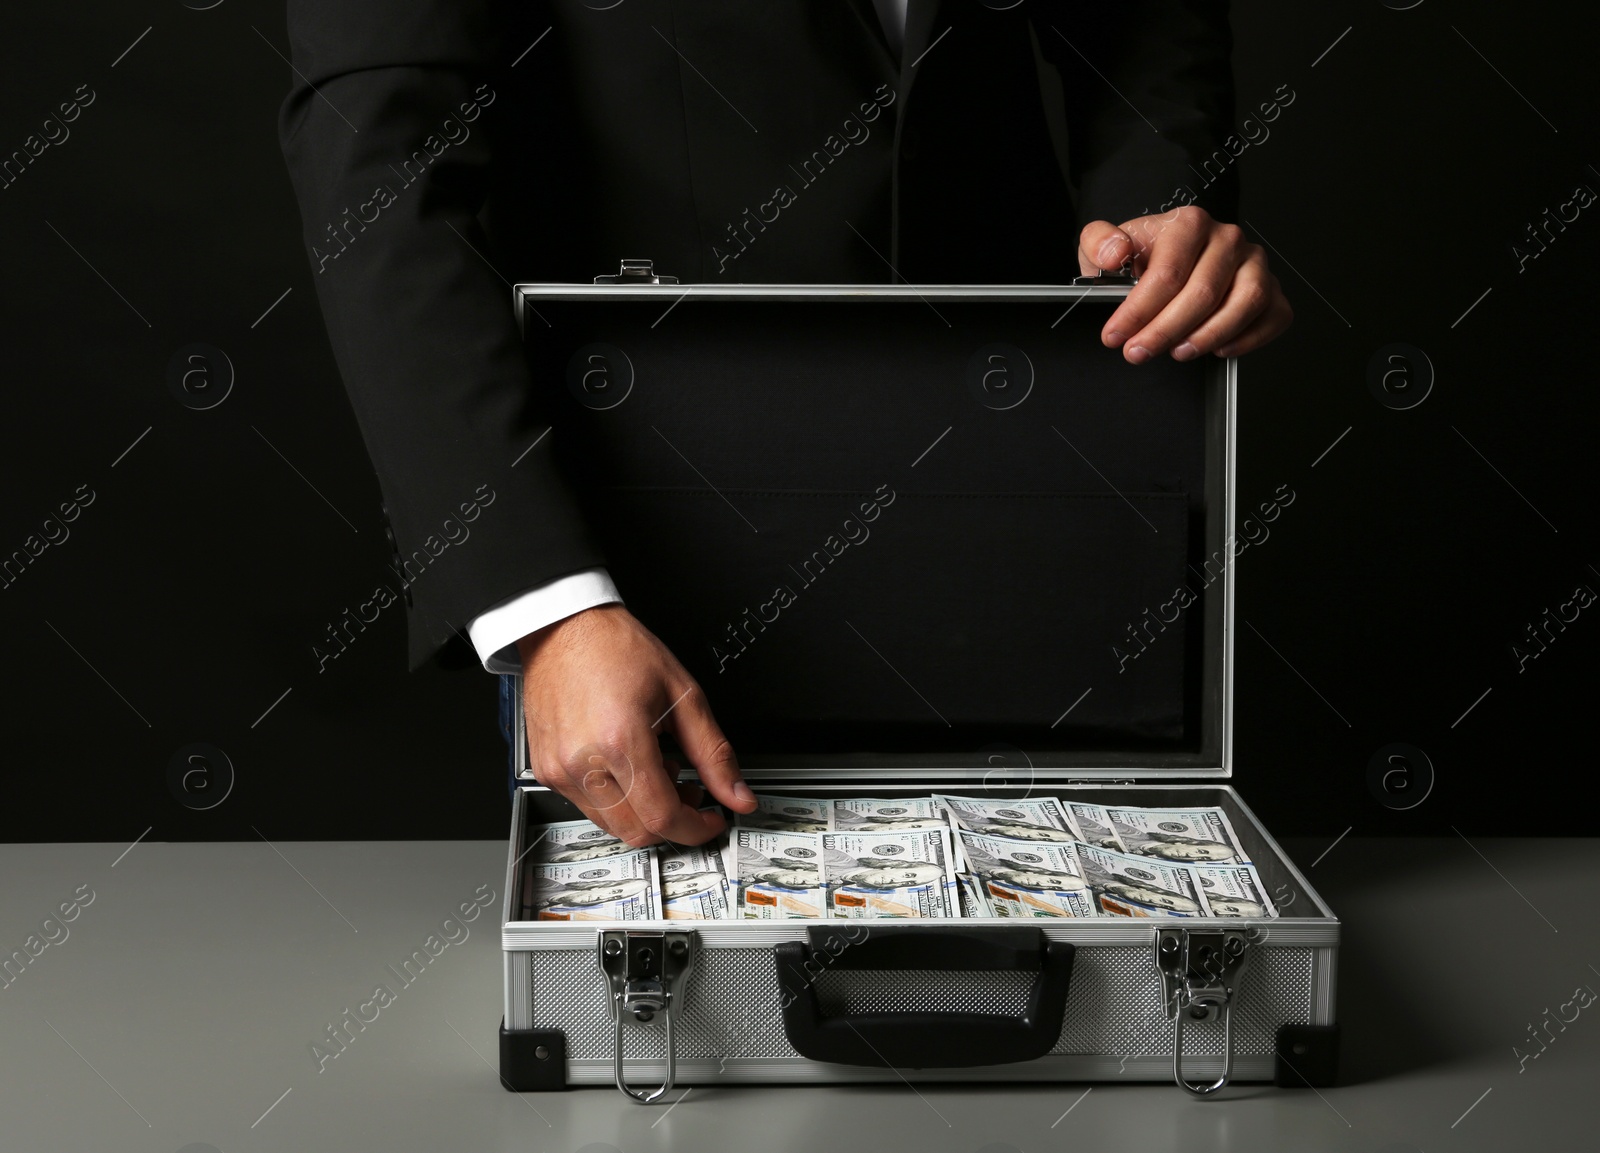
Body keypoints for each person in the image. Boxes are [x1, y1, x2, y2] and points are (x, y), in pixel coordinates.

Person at [278, 1, 1292, 852]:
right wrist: (542, 608)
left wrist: (1157, 216)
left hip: (1028, 468)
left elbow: (1151, 24)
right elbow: (377, 152)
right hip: (653, 556)